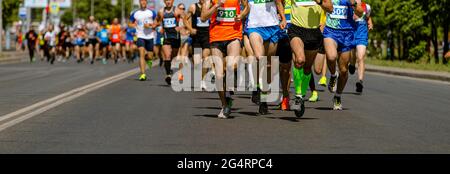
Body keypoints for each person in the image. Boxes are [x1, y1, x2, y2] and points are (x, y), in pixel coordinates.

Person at [201, 0, 249, 118]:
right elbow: (203, 17)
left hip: (234, 34)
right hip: (216, 38)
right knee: (218, 75)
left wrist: (242, 15)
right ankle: (224, 105)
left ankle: (228, 90)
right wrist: (216, 6)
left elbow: (247, 7)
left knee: (231, 65)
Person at [246, 0, 286, 115]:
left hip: (272, 27)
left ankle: (263, 98)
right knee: (259, 57)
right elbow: (244, 7)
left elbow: (279, 3)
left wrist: (283, 18)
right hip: (255, 27)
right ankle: (256, 86)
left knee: (268, 64)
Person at [324, 0, 363, 110]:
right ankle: (332, 75)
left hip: (347, 33)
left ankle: (338, 96)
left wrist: (354, 3)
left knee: (344, 70)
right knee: (331, 57)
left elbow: (360, 13)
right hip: (331, 31)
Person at [185, 0, 212, 90]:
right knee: (197, 63)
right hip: (196, 37)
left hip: (207, 37)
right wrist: (190, 29)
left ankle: (203, 80)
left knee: (206, 57)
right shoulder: (193, 7)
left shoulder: (211, 6)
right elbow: (185, 19)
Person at [155, 0, 183, 85]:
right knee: (167, 56)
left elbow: (186, 20)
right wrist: (154, 26)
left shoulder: (177, 10)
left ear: (172, 1)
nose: (168, 2)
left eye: (169, 0)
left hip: (175, 37)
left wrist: (181, 27)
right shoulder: (161, 11)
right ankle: (168, 75)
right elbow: (157, 20)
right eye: (166, 0)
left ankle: (169, 67)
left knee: (173, 56)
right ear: (164, 2)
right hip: (166, 37)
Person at [129, 0, 157, 81]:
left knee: (150, 56)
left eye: (144, 2)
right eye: (141, 2)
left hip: (150, 36)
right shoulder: (135, 13)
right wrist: (133, 25)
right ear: (140, 3)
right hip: (140, 35)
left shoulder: (152, 12)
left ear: (146, 3)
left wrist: (151, 25)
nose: (143, 3)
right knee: (141, 53)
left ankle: (148, 59)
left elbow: (156, 22)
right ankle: (143, 74)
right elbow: (130, 23)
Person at [349, 0, 372, 94]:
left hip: (362, 36)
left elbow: (368, 17)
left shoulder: (367, 7)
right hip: (350, 34)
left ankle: (360, 81)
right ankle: (352, 64)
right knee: (353, 56)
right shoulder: (348, 5)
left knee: (361, 57)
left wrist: (370, 23)